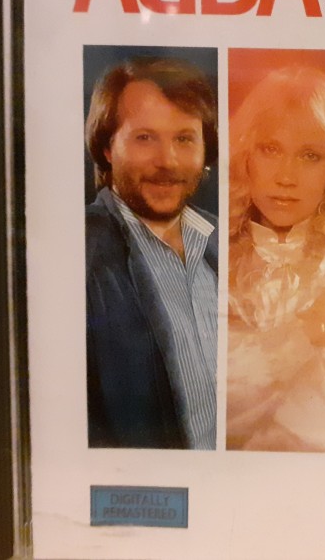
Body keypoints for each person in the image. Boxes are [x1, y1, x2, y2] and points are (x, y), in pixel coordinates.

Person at [85, 56, 219, 449]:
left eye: (184, 139)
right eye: (144, 137)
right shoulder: (77, 254)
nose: (168, 161)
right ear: (107, 147)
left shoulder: (228, 240)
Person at [226, 65, 325, 452]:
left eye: (310, 156)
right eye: (270, 149)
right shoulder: (205, 257)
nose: (286, 176)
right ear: (244, 156)